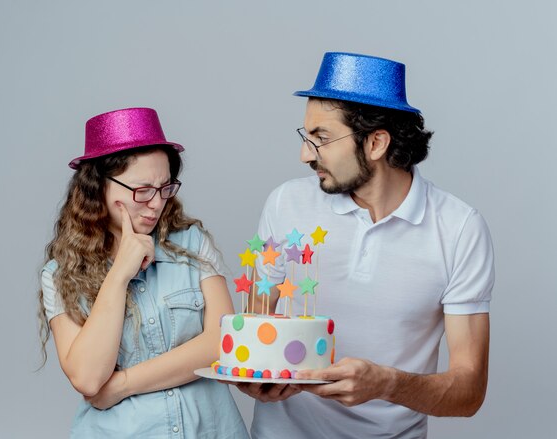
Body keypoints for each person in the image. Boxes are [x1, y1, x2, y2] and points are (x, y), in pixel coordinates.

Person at [235, 53, 495, 438]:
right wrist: (258, 376)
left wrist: (386, 384)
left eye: (321, 138)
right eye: (306, 137)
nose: (306, 154)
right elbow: (255, 328)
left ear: (376, 142)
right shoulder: (286, 203)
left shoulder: (459, 229)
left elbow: (469, 392)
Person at [38, 107, 248, 438]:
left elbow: (223, 341)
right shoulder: (59, 274)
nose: (155, 203)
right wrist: (119, 274)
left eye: (165, 188)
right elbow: (88, 378)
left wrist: (122, 384)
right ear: (97, 187)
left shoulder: (192, 243)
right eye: (142, 190)